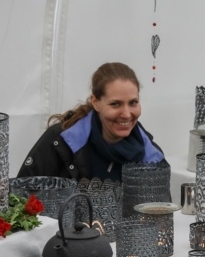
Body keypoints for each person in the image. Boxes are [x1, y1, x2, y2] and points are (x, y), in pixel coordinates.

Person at [18, 62, 165, 181]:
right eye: (115, 104)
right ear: (95, 102)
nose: (126, 114)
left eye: (133, 103)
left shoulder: (152, 156)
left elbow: (161, 207)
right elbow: (22, 199)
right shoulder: (60, 141)